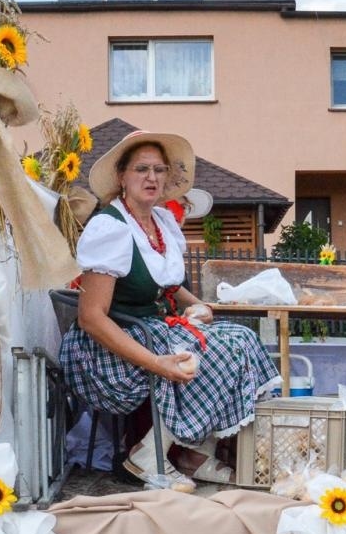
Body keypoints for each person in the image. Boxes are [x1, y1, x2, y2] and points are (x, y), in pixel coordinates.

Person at [61, 130, 278, 487]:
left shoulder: (161, 223)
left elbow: (170, 287)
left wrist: (200, 307)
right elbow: (91, 317)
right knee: (201, 348)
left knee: (240, 339)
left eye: (159, 170)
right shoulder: (109, 228)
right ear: (122, 178)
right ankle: (146, 455)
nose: (152, 177)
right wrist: (156, 363)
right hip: (103, 349)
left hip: (151, 330)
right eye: (141, 169)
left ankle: (195, 455)